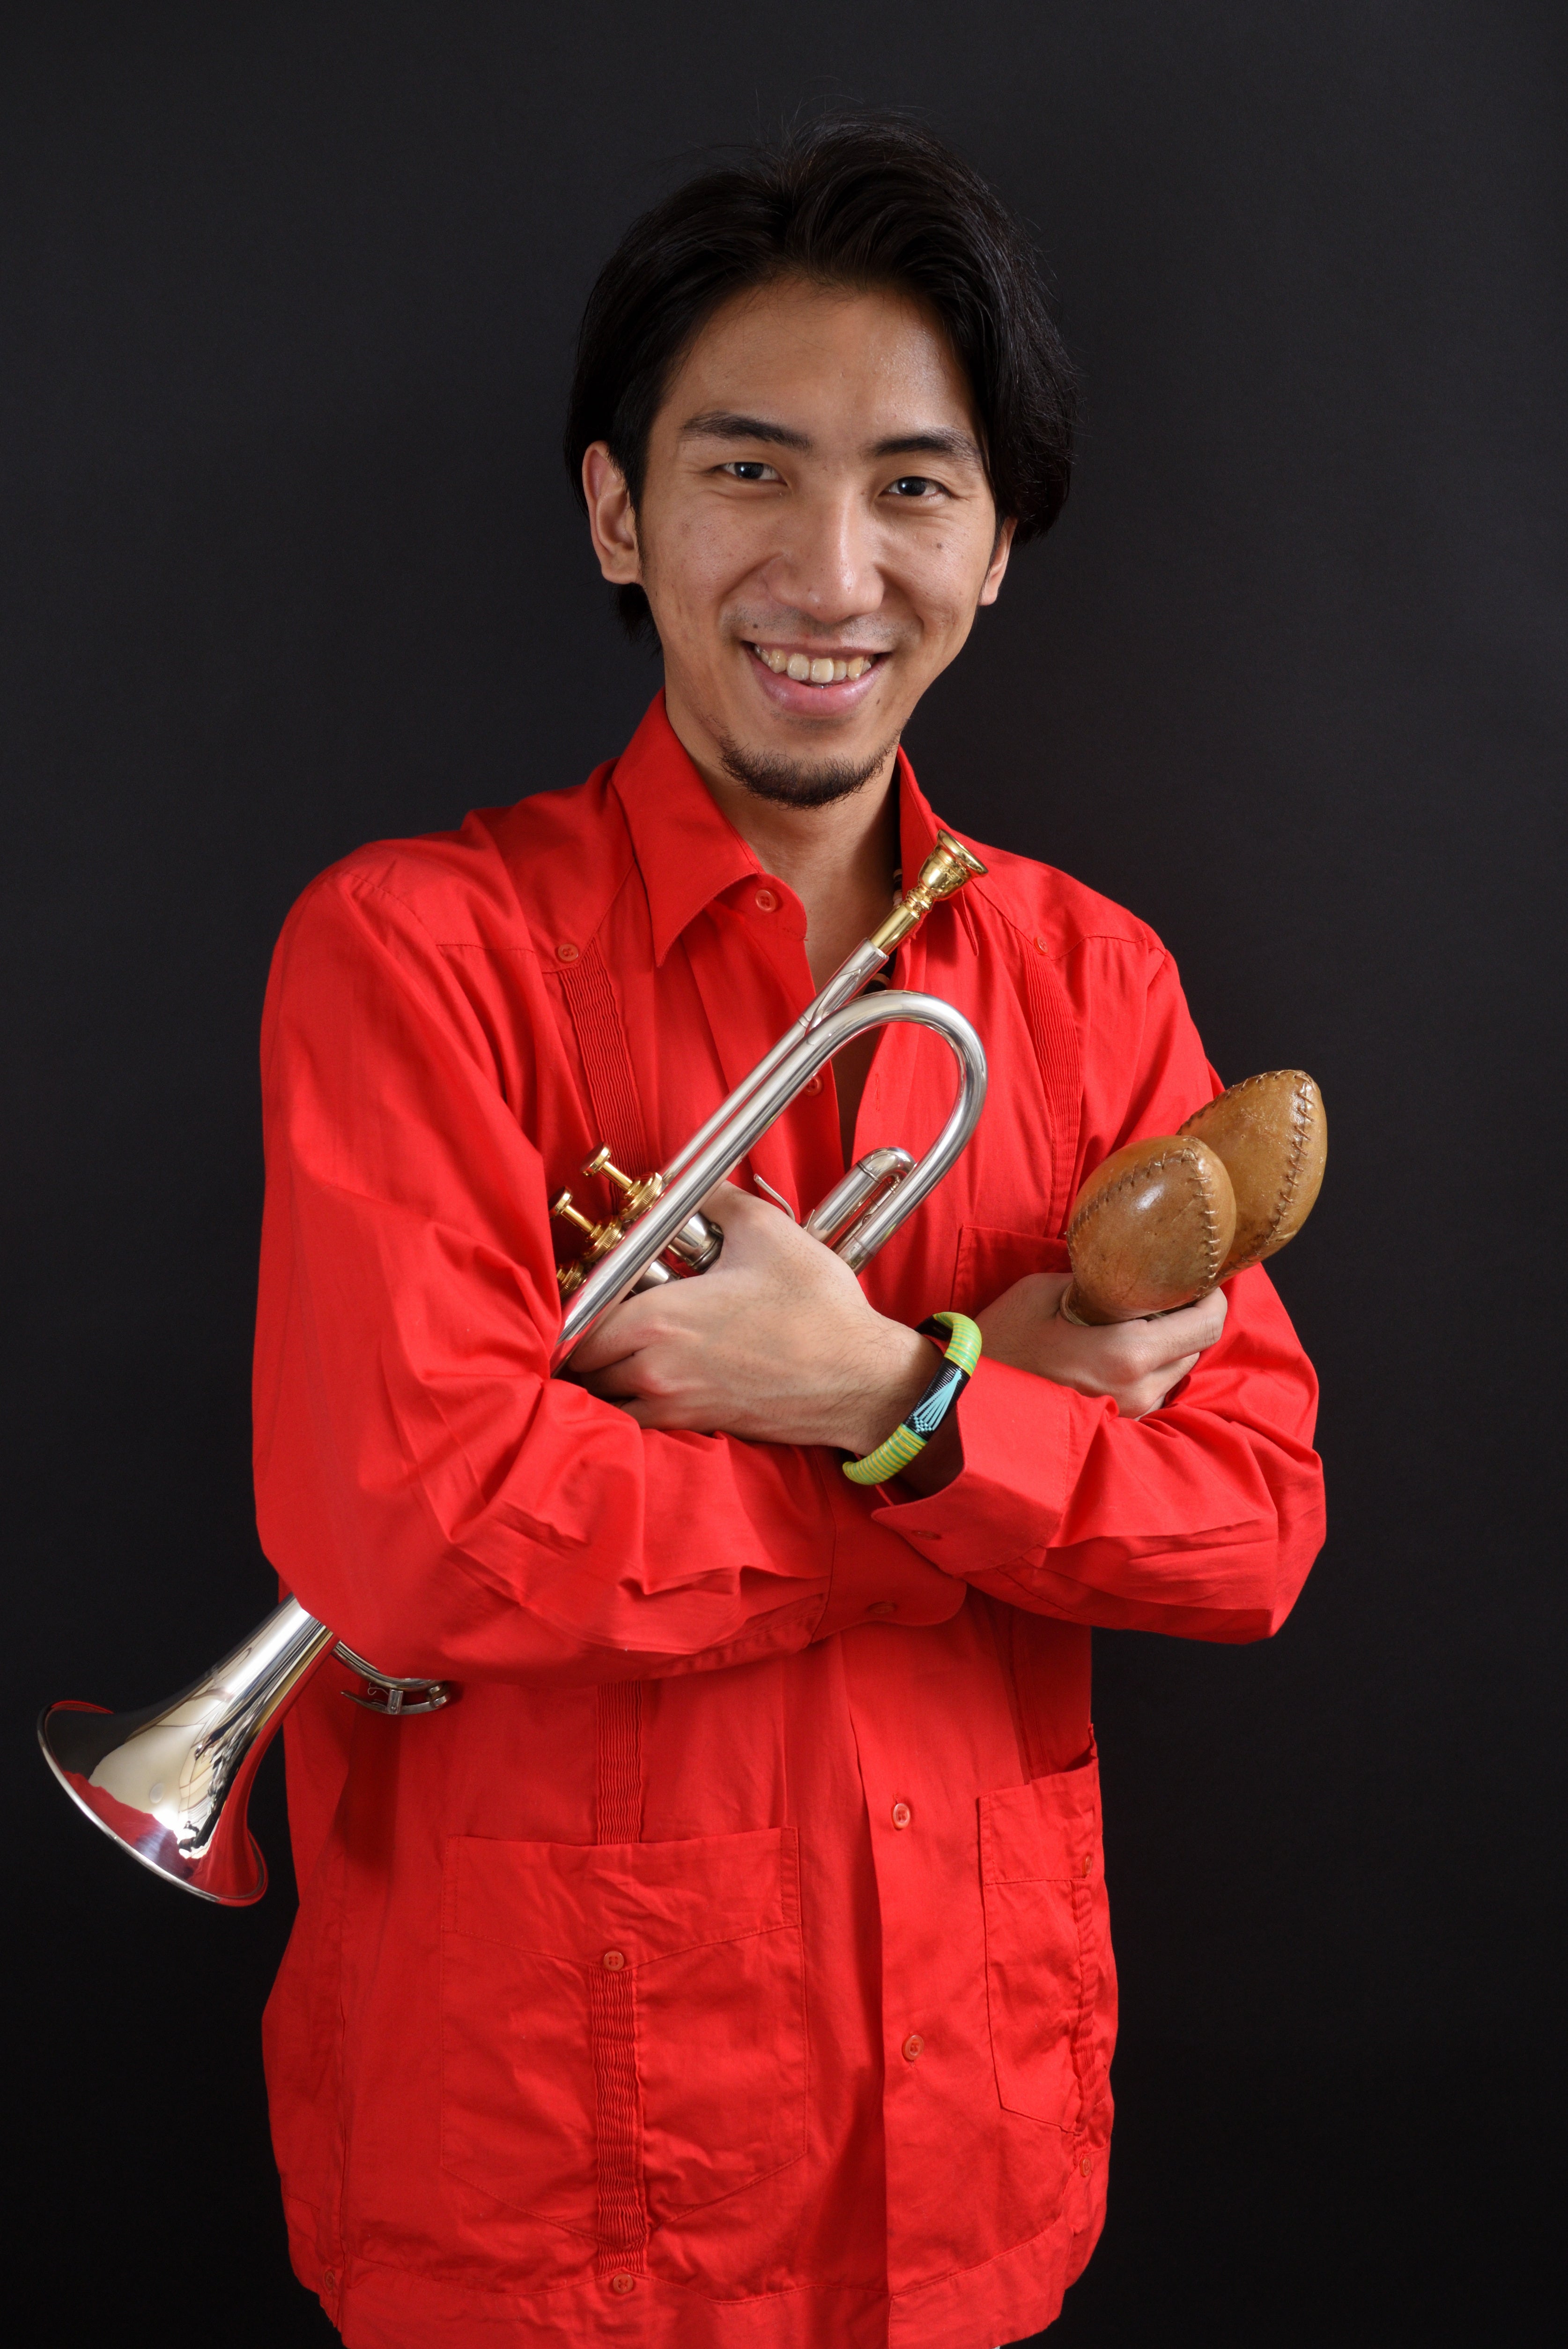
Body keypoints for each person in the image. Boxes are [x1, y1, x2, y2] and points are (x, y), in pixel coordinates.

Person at [255, 114, 1324, 2349]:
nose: (834, 572)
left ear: (997, 547)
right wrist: (970, 1440)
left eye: (915, 488)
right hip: (540, 2180)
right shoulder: (415, 950)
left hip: (972, 2143)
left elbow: (1247, 1529)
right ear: (618, 514)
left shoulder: (1095, 982)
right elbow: (421, 1545)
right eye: (748, 471)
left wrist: (883, 1390)